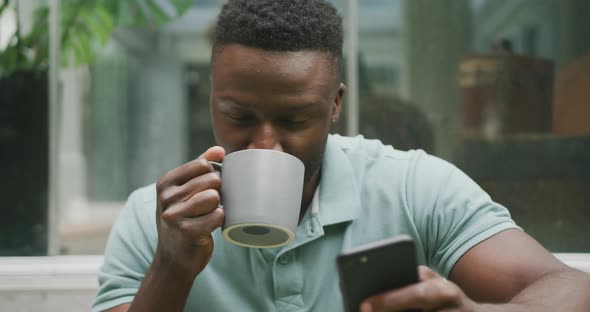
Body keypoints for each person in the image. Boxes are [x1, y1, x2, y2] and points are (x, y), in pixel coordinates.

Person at [93, 1, 590, 311]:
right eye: (239, 115)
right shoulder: (155, 217)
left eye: (293, 119)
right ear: (211, 102)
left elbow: (568, 288)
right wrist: (172, 268)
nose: (266, 144)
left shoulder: (413, 186)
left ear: (335, 106)